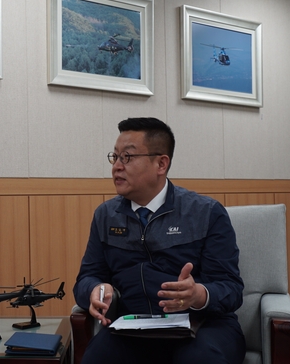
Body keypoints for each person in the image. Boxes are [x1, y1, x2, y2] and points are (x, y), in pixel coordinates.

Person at [73, 117, 246, 363]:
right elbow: (86, 278)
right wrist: (94, 289)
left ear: (161, 164)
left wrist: (198, 294)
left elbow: (231, 288)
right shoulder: (105, 215)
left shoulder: (206, 212)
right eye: (115, 157)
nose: (117, 167)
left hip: (204, 326)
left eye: (127, 157)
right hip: (133, 328)